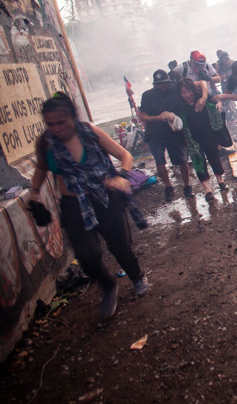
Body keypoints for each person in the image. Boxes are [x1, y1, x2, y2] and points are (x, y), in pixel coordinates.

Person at [29, 93, 150, 319]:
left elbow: (124, 154)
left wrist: (122, 175)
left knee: (120, 246)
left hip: (105, 197)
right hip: (73, 205)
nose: (56, 128)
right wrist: (34, 193)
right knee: (87, 256)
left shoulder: (90, 133)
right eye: (50, 124)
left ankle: (137, 276)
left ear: (73, 117)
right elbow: (41, 169)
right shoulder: (46, 142)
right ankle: (108, 285)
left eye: (61, 122)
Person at [138, 69, 193, 201]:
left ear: (169, 82)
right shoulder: (147, 96)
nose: (163, 87)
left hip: (173, 132)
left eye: (164, 83)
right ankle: (168, 186)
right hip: (154, 133)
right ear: (154, 84)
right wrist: (159, 117)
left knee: (182, 160)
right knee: (160, 161)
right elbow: (142, 116)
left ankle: (187, 186)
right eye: (159, 84)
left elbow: (196, 86)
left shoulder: (175, 91)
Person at [176, 78, 229, 202]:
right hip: (192, 139)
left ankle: (220, 181)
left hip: (209, 135)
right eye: (184, 92)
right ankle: (208, 190)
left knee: (214, 158)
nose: (187, 95)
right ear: (180, 94)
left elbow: (215, 99)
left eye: (189, 91)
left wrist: (218, 104)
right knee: (198, 163)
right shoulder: (179, 106)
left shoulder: (203, 97)